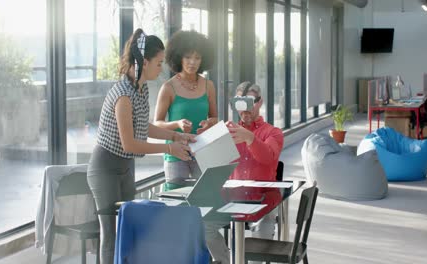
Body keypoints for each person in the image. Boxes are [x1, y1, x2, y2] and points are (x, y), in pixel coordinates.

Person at [87, 28, 195, 264]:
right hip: (104, 167)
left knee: (129, 227)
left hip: (125, 166)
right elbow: (129, 144)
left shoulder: (140, 88)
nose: (161, 68)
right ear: (144, 62)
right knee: (111, 233)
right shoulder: (123, 94)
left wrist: (176, 136)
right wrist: (168, 148)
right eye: (158, 63)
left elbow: (143, 127)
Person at [205, 81, 284, 264]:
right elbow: (212, 163)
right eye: (240, 103)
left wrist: (250, 138)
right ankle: (226, 261)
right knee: (203, 226)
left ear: (260, 102)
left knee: (259, 244)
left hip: (264, 201)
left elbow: (268, 158)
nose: (246, 109)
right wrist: (206, 139)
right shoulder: (227, 131)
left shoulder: (273, 132)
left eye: (250, 102)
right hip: (232, 200)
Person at [154, 30, 217, 191]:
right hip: (176, 153)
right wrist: (177, 124)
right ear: (179, 57)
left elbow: (215, 118)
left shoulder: (208, 86)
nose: (192, 62)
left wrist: (209, 123)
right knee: (175, 201)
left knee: (204, 197)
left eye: (197, 57)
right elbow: (157, 124)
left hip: (202, 150)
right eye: (188, 57)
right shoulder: (168, 87)